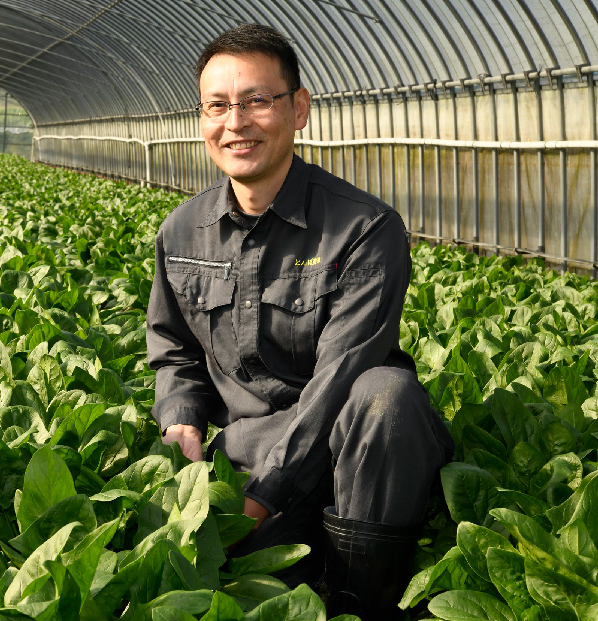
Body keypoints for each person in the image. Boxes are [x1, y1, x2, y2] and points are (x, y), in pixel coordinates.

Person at [145, 24, 454, 620]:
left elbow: (340, 381)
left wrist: (265, 498)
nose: (236, 123)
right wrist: (181, 418)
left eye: (257, 100)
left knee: (386, 394)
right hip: (244, 454)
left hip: (350, 458)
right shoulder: (182, 231)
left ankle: (365, 600)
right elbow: (174, 347)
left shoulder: (363, 229)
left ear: (299, 109)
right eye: (217, 106)